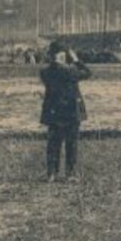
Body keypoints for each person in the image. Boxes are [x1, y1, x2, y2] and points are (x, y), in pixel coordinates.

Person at [39, 41, 91, 181]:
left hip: (54, 112)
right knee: (71, 144)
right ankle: (70, 173)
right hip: (71, 112)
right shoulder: (70, 71)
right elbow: (87, 73)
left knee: (53, 144)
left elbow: (51, 71)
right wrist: (76, 60)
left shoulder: (45, 72)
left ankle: (51, 173)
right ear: (62, 55)